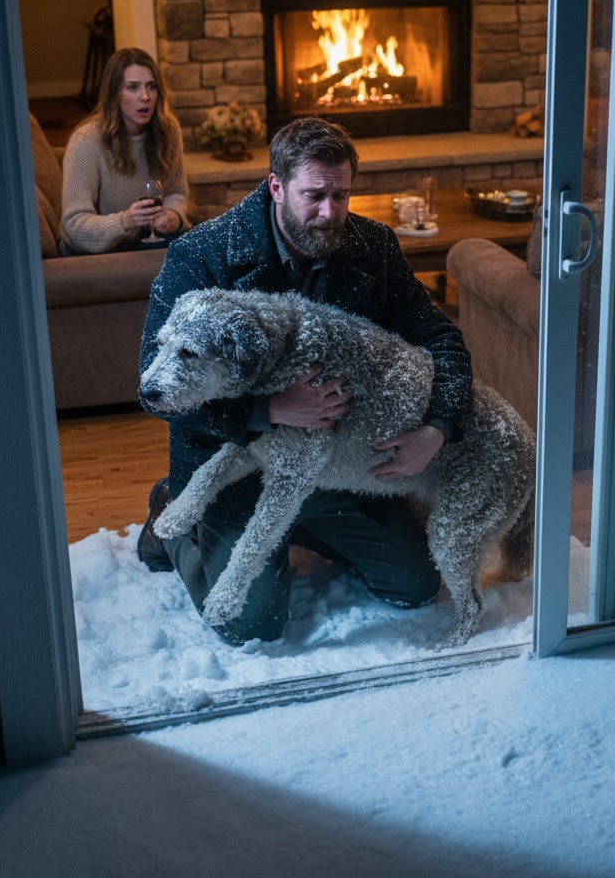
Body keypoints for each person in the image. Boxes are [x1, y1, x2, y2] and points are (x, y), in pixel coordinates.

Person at [136, 116, 473, 645]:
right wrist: (267, 410)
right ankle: (171, 515)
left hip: (335, 462)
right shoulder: (200, 254)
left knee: (414, 585)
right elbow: (156, 391)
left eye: (341, 195)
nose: (330, 213)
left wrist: (439, 426)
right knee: (252, 622)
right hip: (238, 459)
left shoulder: (375, 246)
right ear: (276, 186)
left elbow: (441, 339)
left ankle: (304, 525)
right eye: (314, 195)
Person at [61, 47, 190, 254]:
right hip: (94, 251)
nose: (145, 96)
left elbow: (176, 192)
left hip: (144, 240)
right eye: (133, 87)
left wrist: (173, 215)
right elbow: (73, 226)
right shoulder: (85, 142)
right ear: (114, 94)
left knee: (197, 248)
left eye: (151, 86)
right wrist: (125, 221)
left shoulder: (168, 130)